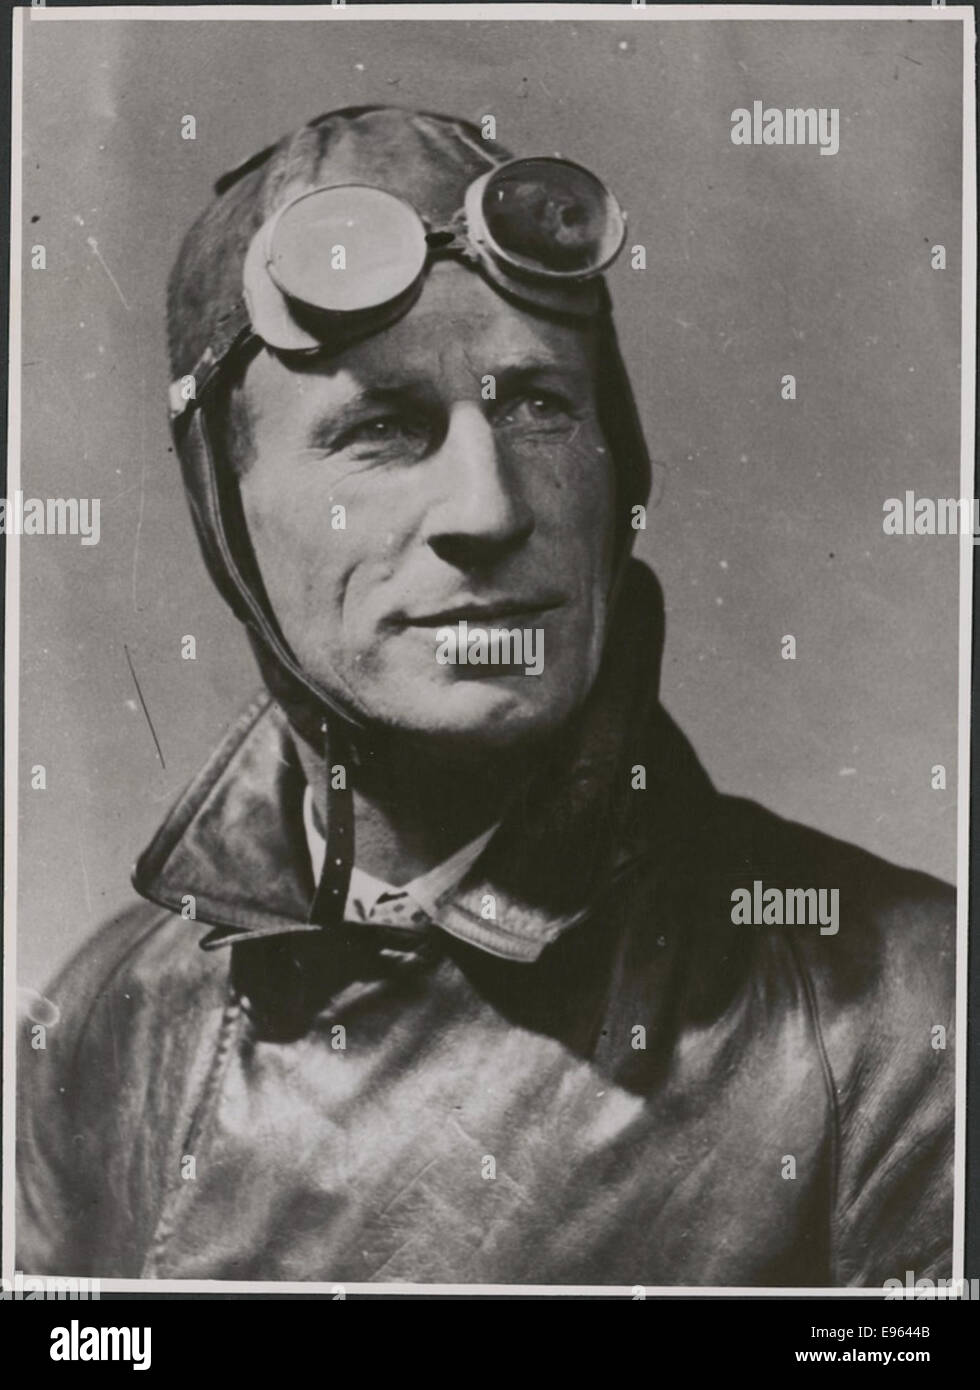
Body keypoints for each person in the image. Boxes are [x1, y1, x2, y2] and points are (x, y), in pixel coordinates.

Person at [17, 106, 954, 1287]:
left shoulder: (904, 1018)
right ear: (226, 514)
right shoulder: (104, 1024)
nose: (489, 508)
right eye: (380, 428)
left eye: (539, 406)